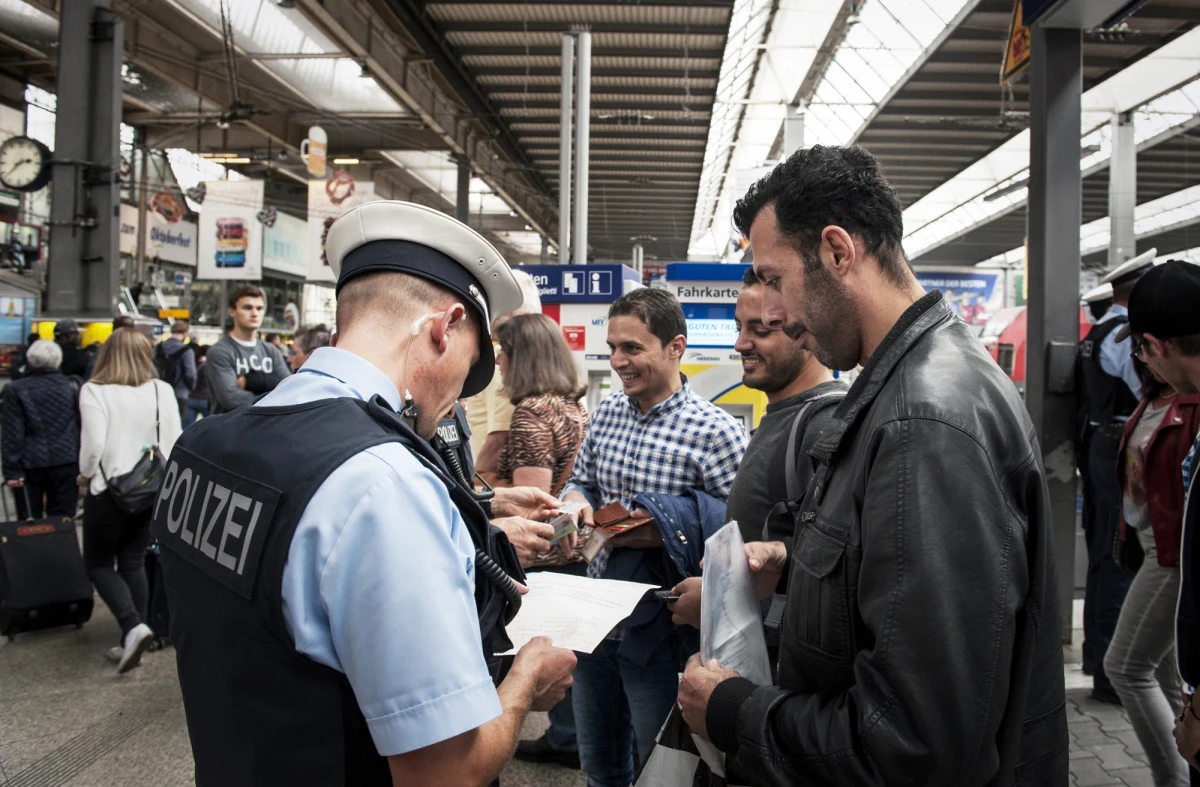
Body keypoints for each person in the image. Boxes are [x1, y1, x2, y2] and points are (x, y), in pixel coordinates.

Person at [677, 144, 1068, 785]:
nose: (773, 313)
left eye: (775, 279)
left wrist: (733, 712)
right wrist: (799, 568)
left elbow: (916, 743)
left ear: (838, 252)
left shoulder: (923, 424)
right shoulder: (914, 383)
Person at [151, 200, 576, 786]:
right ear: (445, 327)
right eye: (471, 364)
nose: (459, 392)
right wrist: (526, 680)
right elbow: (445, 774)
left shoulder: (202, 444)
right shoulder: (385, 483)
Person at [562, 287, 748, 787]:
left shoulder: (716, 433)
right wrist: (576, 502)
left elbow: (739, 534)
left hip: (663, 626)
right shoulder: (606, 413)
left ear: (675, 347)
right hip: (596, 616)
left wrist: (672, 528)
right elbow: (582, 480)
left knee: (661, 764)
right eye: (613, 347)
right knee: (598, 761)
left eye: (632, 348)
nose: (617, 361)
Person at [666, 269, 847, 639]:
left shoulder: (823, 425)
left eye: (761, 330)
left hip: (786, 657)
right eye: (739, 328)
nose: (740, 344)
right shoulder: (780, 417)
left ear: (806, 331)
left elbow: (837, 569)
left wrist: (718, 602)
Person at [1111, 262, 1200, 778]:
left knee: (1126, 666)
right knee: (1168, 673)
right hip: (1159, 547)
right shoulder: (1160, 396)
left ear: (1157, 344)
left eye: (1141, 349)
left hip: (1172, 555)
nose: (1140, 360)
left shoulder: (1190, 407)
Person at [491, 313, 587, 771]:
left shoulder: (531, 413)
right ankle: (569, 735)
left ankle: (564, 738)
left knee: (545, 649)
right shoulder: (572, 406)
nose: (498, 364)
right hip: (574, 550)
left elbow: (531, 504)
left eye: (502, 354)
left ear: (521, 357)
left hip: (543, 557)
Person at [78, 329, 182, 673]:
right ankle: (133, 636)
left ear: (106, 354)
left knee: (97, 563)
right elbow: (174, 440)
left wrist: (84, 476)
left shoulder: (94, 391)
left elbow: (94, 445)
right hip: (151, 489)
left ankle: (131, 625)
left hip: (109, 491)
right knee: (133, 561)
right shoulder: (161, 390)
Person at [1081, 247, 1158, 702]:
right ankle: (1111, 676)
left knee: (1101, 558)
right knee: (1119, 560)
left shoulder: (1099, 332)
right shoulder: (1123, 336)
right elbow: (1146, 387)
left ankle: (1097, 658)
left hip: (1099, 445)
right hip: (1120, 451)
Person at [464, 269, 542, 471]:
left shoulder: (507, 358)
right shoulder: (549, 353)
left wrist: (474, 484)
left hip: (498, 482)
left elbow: (499, 440)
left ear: (509, 310)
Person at [1, 340, 81, 519]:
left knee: (30, 520)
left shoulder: (15, 390)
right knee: (62, 519)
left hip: (30, 464)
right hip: (67, 460)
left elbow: (12, 434)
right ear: (59, 361)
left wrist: (11, 471)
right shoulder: (72, 385)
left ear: (29, 361)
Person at [206, 285, 290, 414]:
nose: (254, 313)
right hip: (230, 424)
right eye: (247, 308)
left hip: (266, 424)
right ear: (232, 311)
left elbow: (289, 388)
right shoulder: (220, 351)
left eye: (259, 308)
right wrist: (274, 394)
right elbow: (230, 398)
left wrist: (254, 383)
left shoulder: (271, 351)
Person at [156, 320, 198, 419]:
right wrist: (191, 387)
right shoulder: (187, 351)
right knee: (178, 422)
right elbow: (191, 374)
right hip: (180, 393)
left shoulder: (158, 348)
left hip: (159, 392)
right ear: (185, 333)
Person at [182, 345, 211, 429]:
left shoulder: (193, 362)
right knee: (210, 427)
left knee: (187, 427)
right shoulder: (211, 365)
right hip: (206, 399)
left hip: (191, 398)